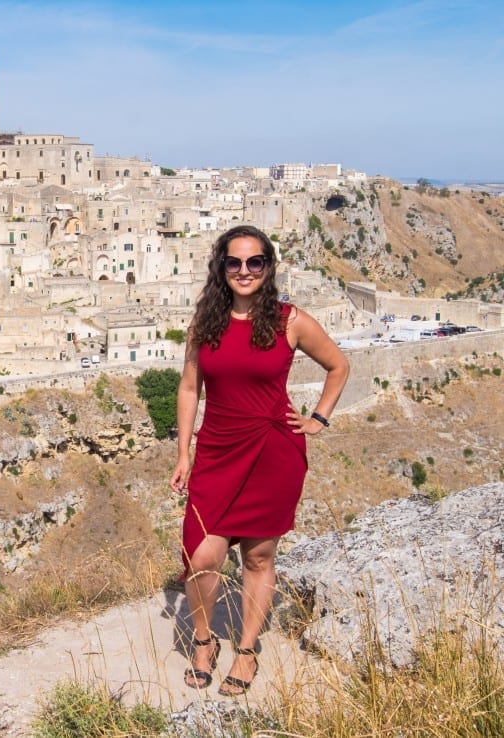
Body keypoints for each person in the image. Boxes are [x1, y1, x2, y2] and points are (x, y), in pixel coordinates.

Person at [169, 225, 349, 696]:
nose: (244, 271)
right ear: (221, 268)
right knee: (201, 555)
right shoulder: (204, 325)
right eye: (234, 262)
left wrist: (318, 419)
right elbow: (190, 389)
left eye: (255, 262)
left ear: (268, 267)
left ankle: (246, 651)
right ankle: (204, 641)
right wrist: (183, 451)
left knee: (259, 555)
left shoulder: (291, 321)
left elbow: (338, 365)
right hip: (217, 451)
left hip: (273, 451)